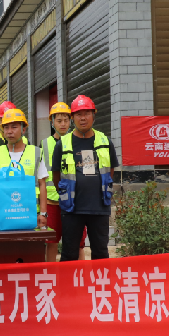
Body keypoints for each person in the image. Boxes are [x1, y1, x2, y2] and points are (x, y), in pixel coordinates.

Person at [52, 95, 118, 262]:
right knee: (69, 253)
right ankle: (69, 281)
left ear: (93, 115)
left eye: (87, 113)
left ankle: (100, 280)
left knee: (101, 252)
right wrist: (65, 192)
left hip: (99, 206)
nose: (83, 118)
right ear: (72, 117)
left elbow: (111, 170)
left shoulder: (105, 141)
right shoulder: (62, 144)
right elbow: (56, 175)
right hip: (72, 208)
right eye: (78, 114)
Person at [41, 102, 86, 261]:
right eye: (59, 120)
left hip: (74, 200)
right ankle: (51, 273)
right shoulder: (44, 144)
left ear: (70, 121)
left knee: (78, 243)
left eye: (66, 120)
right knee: (51, 241)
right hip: (52, 201)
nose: (63, 124)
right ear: (52, 122)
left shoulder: (77, 141)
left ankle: (81, 272)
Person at [0, 109, 47, 229]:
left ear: (23, 129)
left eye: (14, 127)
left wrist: (43, 213)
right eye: (6, 127)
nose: (9, 131)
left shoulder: (36, 152)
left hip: (30, 213)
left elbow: (42, 184)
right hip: (2, 214)